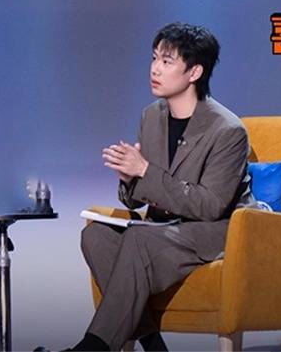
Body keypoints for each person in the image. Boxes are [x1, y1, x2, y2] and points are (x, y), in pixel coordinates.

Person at [69, 23, 257, 351]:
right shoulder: (151, 116)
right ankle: (154, 344)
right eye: (154, 58)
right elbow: (138, 199)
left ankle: (92, 347)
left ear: (194, 72)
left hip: (211, 232)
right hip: (163, 231)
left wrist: (144, 171)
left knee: (139, 239)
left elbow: (210, 205)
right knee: (95, 236)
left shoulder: (228, 130)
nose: (155, 69)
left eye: (167, 61)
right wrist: (129, 179)